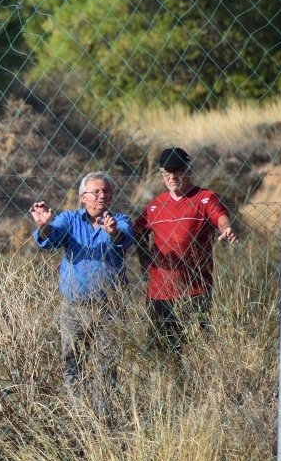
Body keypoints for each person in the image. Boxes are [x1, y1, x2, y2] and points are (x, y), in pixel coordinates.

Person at [30, 172, 133, 416]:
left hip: (110, 307)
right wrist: (44, 227)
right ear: (82, 197)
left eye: (106, 191)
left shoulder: (120, 220)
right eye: (96, 192)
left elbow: (124, 239)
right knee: (71, 361)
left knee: (107, 365)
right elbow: (50, 240)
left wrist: (113, 232)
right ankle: (77, 413)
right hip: (75, 306)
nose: (102, 195)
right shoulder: (69, 220)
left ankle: (103, 416)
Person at [135, 147, 238, 356]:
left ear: (188, 170)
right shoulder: (155, 206)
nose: (172, 177)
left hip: (196, 291)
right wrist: (144, 258)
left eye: (178, 171)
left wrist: (226, 229)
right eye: (166, 172)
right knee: (164, 353)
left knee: (197, 352)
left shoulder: (205, 198)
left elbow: (220, 216)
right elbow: (138, 232)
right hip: (160, 294)